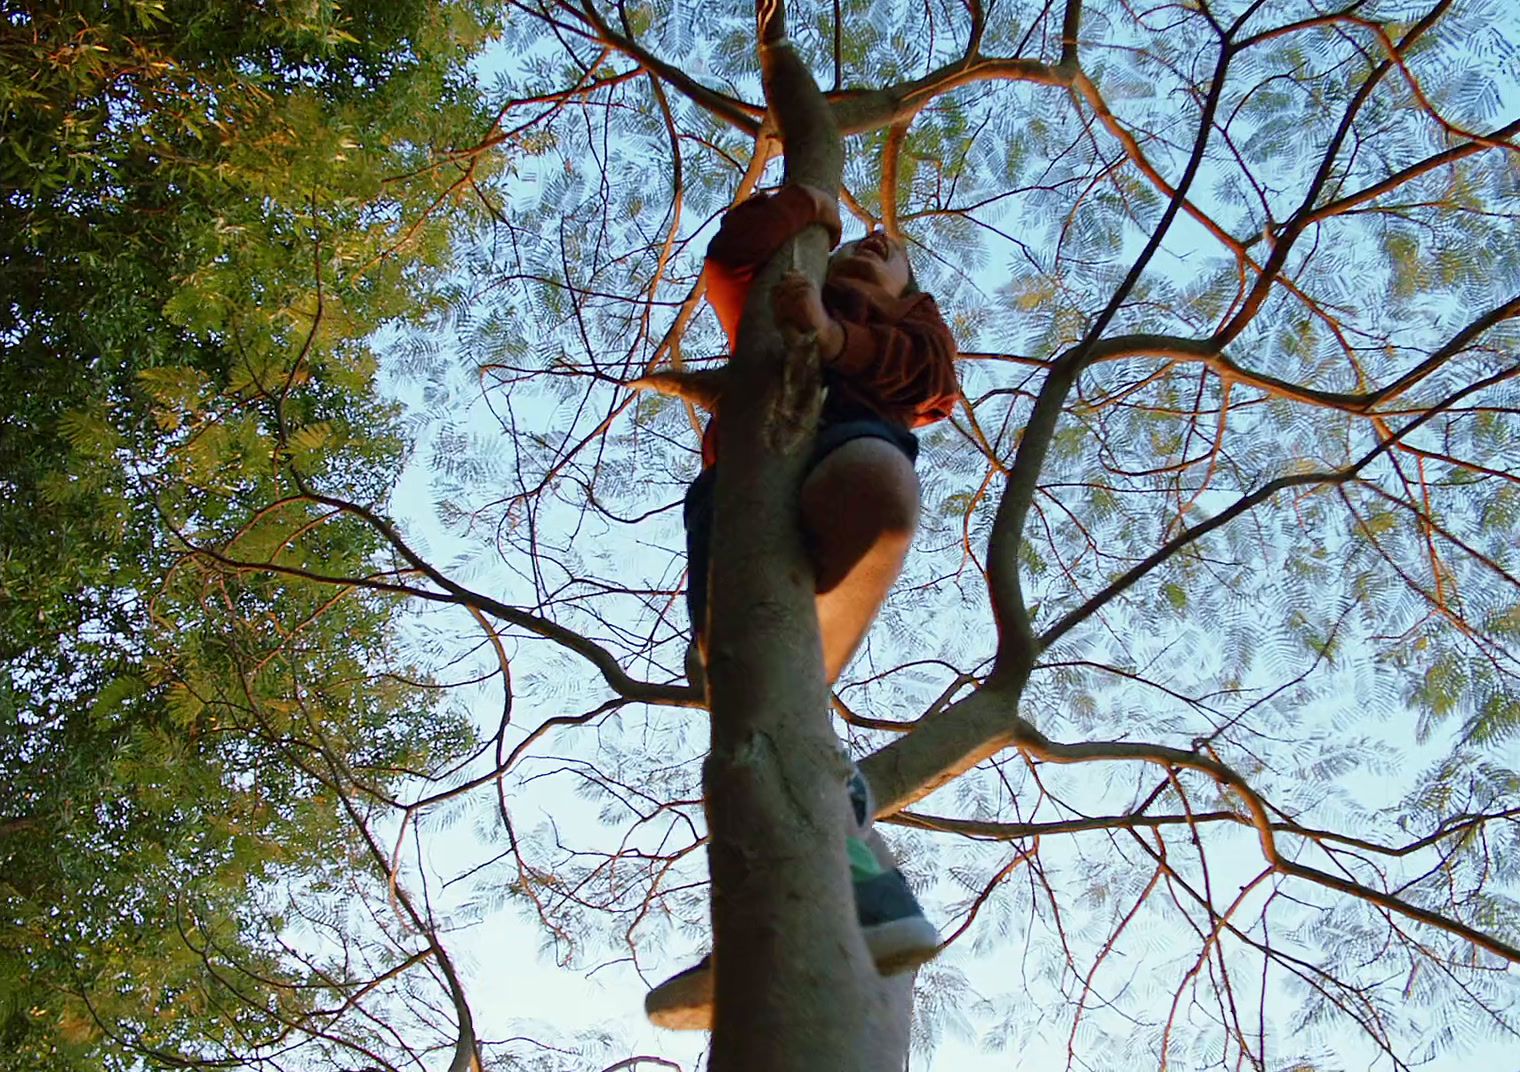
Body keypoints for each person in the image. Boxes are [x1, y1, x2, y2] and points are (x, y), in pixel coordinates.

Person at [638, 182, 960, 1030]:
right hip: (738, 498)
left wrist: (835, 334)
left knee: (879, 491)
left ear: (909, 296)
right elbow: (731, 257)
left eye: (886, 256)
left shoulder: (905, 335)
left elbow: (927, 376)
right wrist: (812, 206)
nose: (866, 246)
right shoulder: (777, 294)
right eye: (860, 241)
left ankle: (824, 832)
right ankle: (770, 915)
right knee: (742, 713)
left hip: (844, 453)